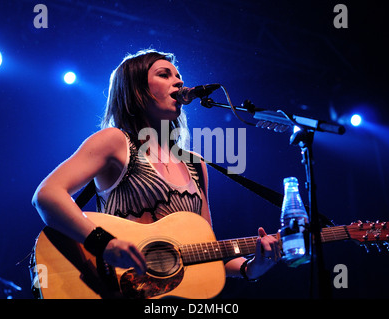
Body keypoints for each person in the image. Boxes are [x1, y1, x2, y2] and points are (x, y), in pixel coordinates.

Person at [32, 49, 279, 293]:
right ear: (136, 89)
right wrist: (105, 244)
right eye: (165, 74)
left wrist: (251, 268)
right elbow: (47, 195)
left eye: (178, 75)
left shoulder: (195, 164)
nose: (180, 81)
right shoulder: (115, 142)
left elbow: (206, 249)